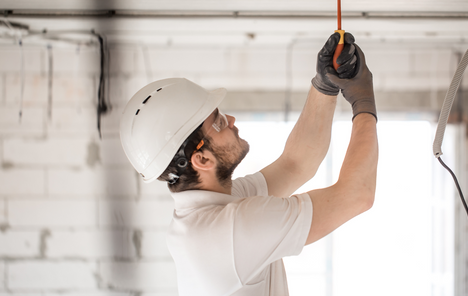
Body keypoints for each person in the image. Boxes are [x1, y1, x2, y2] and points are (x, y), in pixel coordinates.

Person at [119, 32, 378, 296]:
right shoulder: (230, 230)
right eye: (217, 122)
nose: (230, 119)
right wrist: (364, 101)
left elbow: (296, 163)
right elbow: (357, 195)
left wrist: (325, 85)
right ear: (202, 159)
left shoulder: (211, 209)